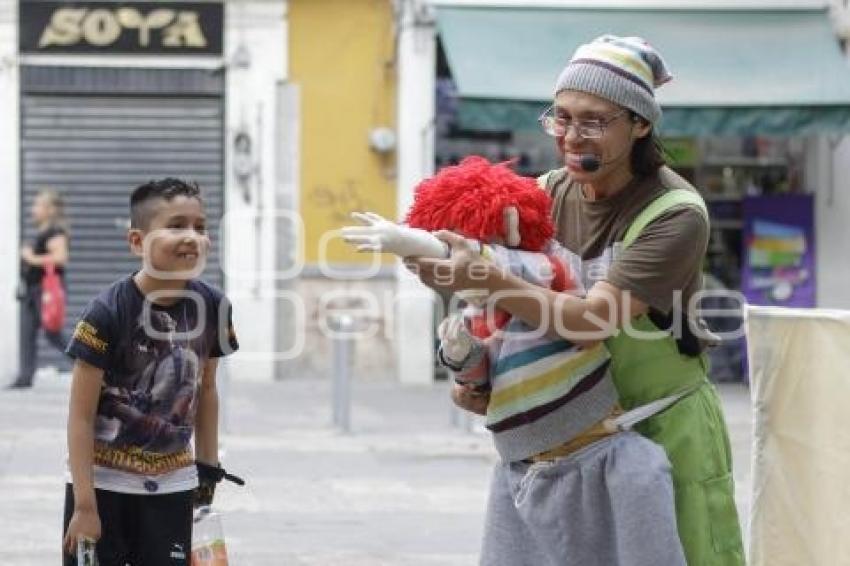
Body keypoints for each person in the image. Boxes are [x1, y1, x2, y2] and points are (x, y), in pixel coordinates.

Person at [407, 35, 745, 565]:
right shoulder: (543, 193)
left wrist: (490, 280)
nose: (570, 136)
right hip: (565, 431)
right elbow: (500, 301)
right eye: (560, 117)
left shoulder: (675, 214)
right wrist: (438, 275)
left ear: (640, 124)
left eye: (593, 121)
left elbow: (593, 320)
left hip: (659, 428)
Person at [344, 156, 687, 565]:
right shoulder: (484, 309)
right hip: (525, 465)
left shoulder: (541, 265)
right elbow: (480, 375)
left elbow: (508, 268)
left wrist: (413, 242)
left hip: (598, 448)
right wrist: (460, 359)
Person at [61, 178, 241, 565]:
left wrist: (206, 475)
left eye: (200, 226)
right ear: (137, 242)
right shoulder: (107, 312)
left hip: (174, 488)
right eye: (176, 225)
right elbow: (80, 416)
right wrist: (85, 505)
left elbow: (206, 392)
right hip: (102, 487)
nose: (192, 237)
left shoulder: (215, 307)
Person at [7, 189, 71, 389]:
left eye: (37, 205)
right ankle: (25, 378)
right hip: (32, 290)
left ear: (49, 209)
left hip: (45, 292)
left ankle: (91, 366)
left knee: (53, 334)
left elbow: (61, 258)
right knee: (27, 333)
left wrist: (30, 257)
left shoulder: (55, 233)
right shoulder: (42, 232)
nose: (33, 209)